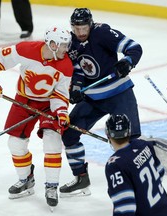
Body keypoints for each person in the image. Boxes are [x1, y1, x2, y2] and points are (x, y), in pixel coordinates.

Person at [0, 26, 73, 209]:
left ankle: (51, 186)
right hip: (24, 99)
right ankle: (26, 179)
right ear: (52, 44)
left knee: (52, 140)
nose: (66, 49)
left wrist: (61, 112)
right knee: (15, 143)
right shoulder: (26, 50)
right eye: (63, 45)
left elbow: (60, 95)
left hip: (49, 104)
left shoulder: (66, 65)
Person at [59, 8, 143, 197]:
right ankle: (81, 177)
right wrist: (76, 89)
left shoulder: (103, 32)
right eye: (76, 28)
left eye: (84, 28)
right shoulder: (70, 42)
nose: (80, 32)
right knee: (69, 133)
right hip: (93, 97)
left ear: (90, 24)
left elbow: (134, 47)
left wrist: (127, 61)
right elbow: (78, 70)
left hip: (119, 93)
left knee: (131, 140)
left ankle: (136, 182)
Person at [105, 114, 167, 216]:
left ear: (107, 134)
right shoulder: (143, 145)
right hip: (161, 208)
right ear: (129, 131)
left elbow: (126, 207)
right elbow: (160, 172)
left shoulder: (115, 164)